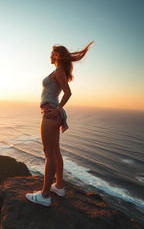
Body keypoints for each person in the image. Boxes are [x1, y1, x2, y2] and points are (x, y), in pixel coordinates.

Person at [26, 41, 94, 206]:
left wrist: (57, 109)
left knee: (49, 154)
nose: (50, 56)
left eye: (52, 53)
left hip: (50, 114)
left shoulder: (58, 71)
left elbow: (68, 92)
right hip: (52, 113)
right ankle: (59, 186)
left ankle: (45, 195)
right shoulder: (58, 71)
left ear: (56, 55)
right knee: (55, 151)